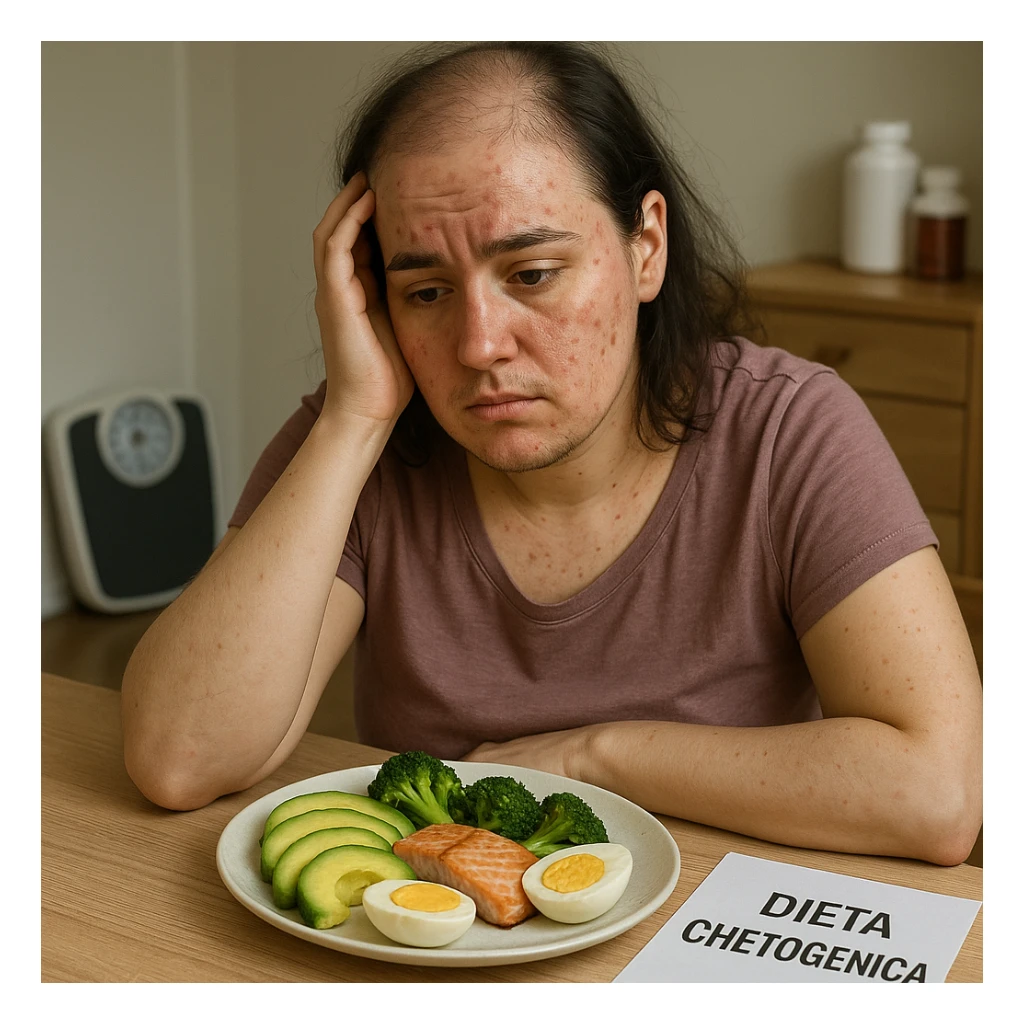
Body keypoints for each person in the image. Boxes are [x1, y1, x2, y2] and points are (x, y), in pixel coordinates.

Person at [121, 41, 981, 866]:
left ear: (645, 245)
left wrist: (588, 759)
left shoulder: (790, 430)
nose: (478, 345)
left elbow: (939, 795)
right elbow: (179, 756)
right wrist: (352, 421)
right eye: (424, 291)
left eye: (531, 274)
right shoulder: (364, 435)